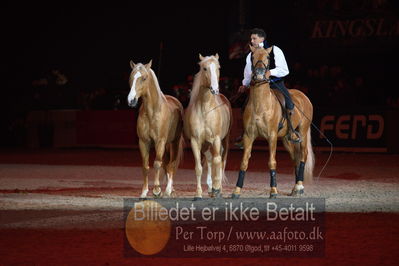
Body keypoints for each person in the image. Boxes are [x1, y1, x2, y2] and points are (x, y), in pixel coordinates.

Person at [235, 28, 301, 146]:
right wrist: (244, 84)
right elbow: (248, 72)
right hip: (258, 86)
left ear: (262, 38)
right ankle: (245, 133)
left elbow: (284, 69)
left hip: (275, 84)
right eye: (251, 38)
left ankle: (291, 130)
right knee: (245, 105)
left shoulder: (274, 50)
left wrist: (270, 72)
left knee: (289, 102)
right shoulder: (251, 54)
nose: (251, 40)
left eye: (254, 38)